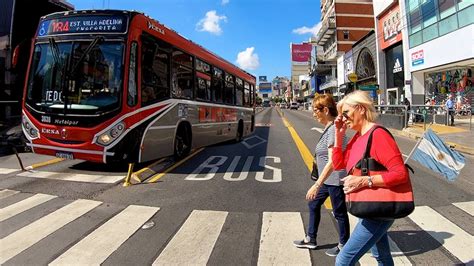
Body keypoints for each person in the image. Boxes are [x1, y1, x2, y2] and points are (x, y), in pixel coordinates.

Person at [332, 90, 410, 265]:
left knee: (343, 260)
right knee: (381, 256)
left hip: (379, 209)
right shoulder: (359, 136)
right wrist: (339, 134)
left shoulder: (378, 135)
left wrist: (363, 180)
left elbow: (400, 174)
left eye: (346, 113)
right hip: (368, 205)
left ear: (360, 108)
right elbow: (339, 165)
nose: (343, 118)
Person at [293, 94, 350, 257]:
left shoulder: (333, 130)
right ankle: (310, 238)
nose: (313, 114)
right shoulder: (329, 128)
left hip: (336, 179)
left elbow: (333, 161)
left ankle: (344, 245)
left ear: (325, 110)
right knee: (313, 203)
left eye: (315, 110)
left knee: (339, 212)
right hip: (328, 179)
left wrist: (317, 184)